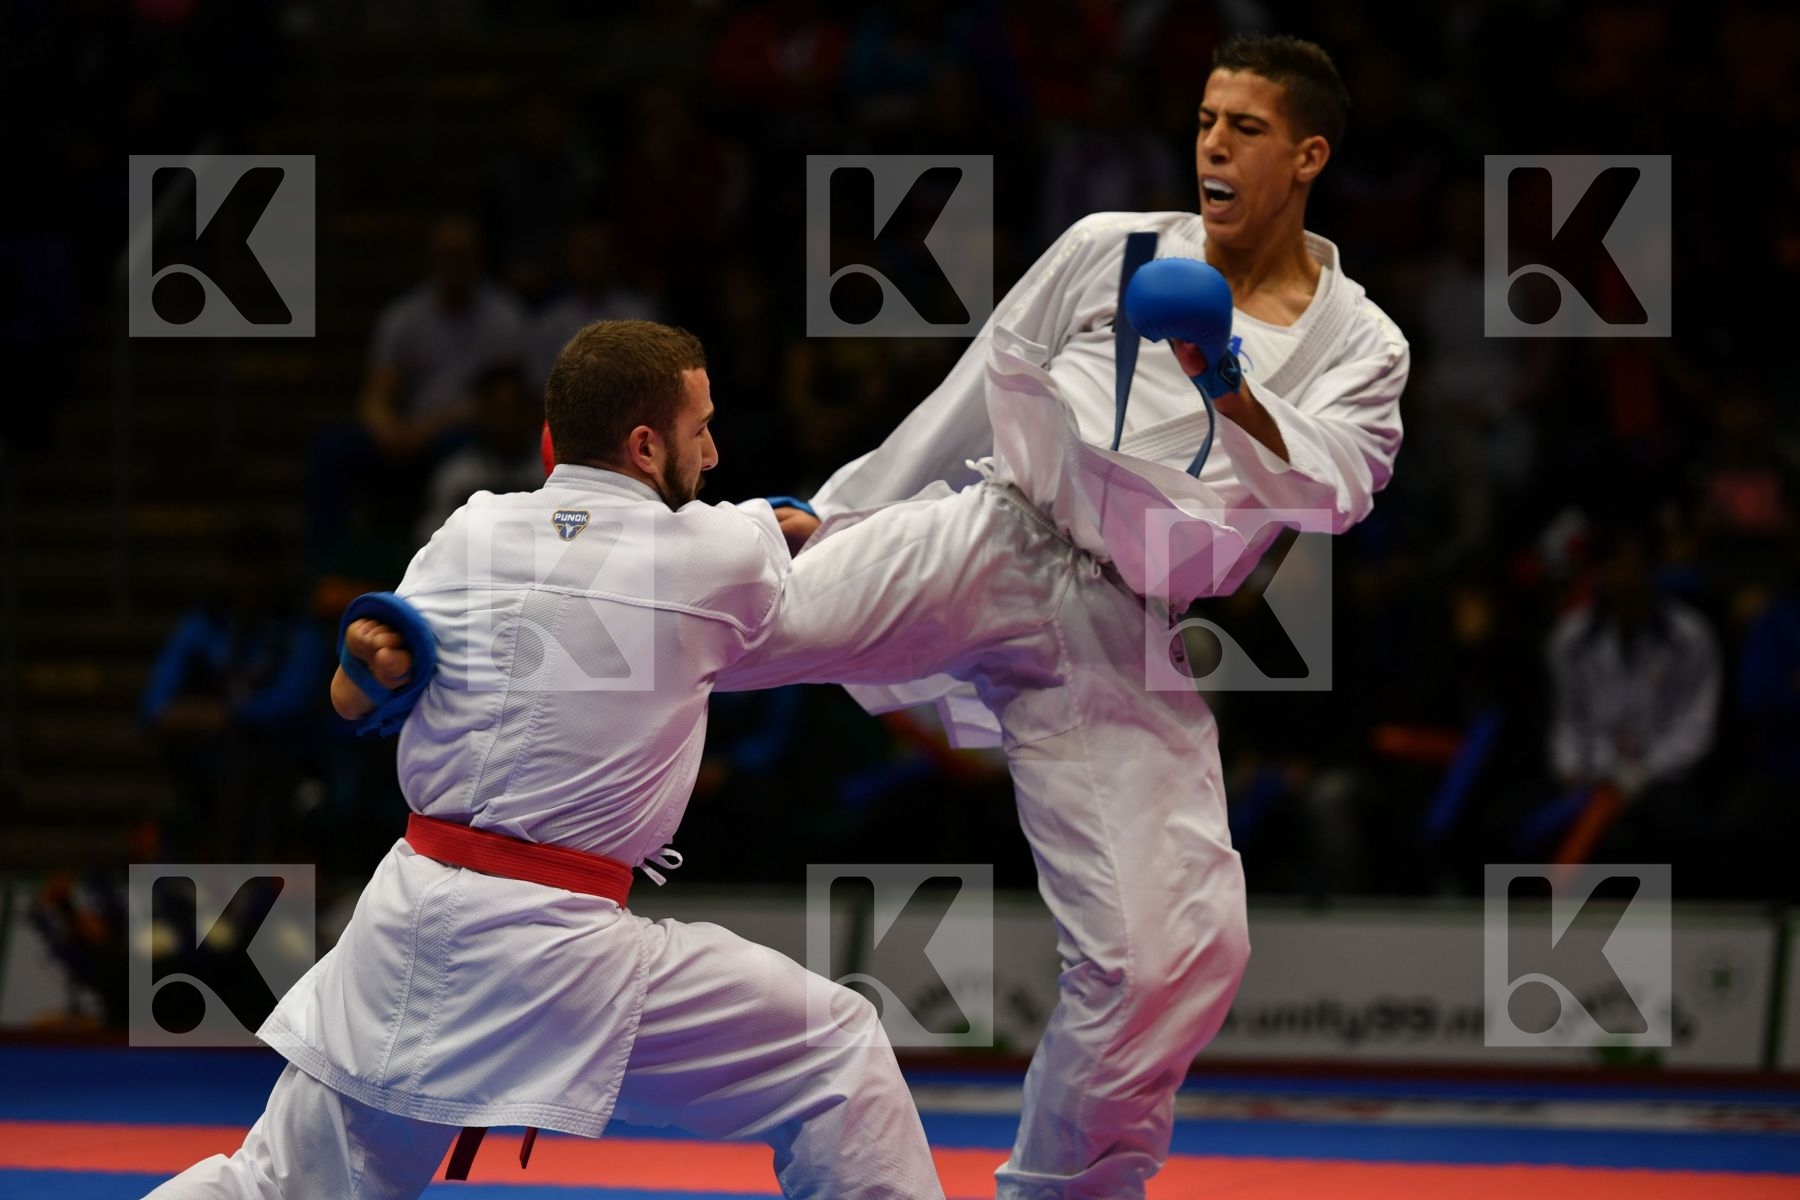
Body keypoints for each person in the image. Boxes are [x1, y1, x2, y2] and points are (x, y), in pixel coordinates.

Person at [759, 34, 1408, 1198]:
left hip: (1128, 630)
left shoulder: (1364, 342)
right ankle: (462, 654)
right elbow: (977, 385)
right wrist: (846, 511)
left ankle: (1067, 1189)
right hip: (996, 540)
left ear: (1308, 155)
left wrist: (1223, 375)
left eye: (1246, 127)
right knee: (740, 609)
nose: (1213, 141)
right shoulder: (1108, 249)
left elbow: (1337, 490)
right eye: (1208, 118)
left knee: (1179, 952)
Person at [148, 320, 943, 1200]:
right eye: (699, 429)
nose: (713, 452)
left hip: (410, 920)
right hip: (557, 948)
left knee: (275, 1183)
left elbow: (346, 699)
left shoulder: (469, 529)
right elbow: (804, 542)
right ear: (645, 445)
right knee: (835, 1054)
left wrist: (368, 663)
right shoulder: (714, 550)